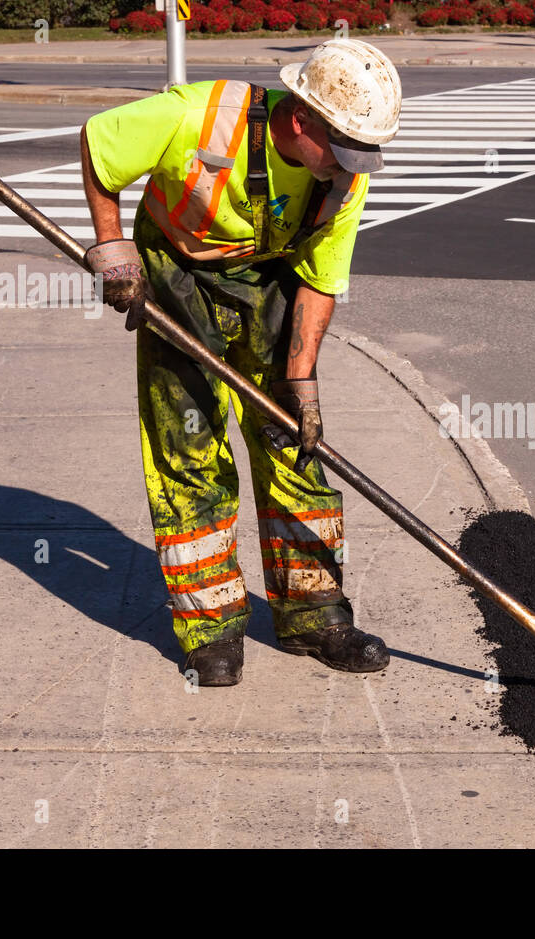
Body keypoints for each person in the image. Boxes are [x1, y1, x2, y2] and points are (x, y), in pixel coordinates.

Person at [79, 39, 401, 686]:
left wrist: (301, 381)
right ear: (302, 119)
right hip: (179, 278)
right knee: (190, 455)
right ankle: (211, 629)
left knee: (294, 446)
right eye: (340, 150)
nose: (349, 169)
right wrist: (113, 247)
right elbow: (99, 145)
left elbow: (320, 279)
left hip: (272, 289)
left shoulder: (344, 177)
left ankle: (315, 613)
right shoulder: (197, 115)